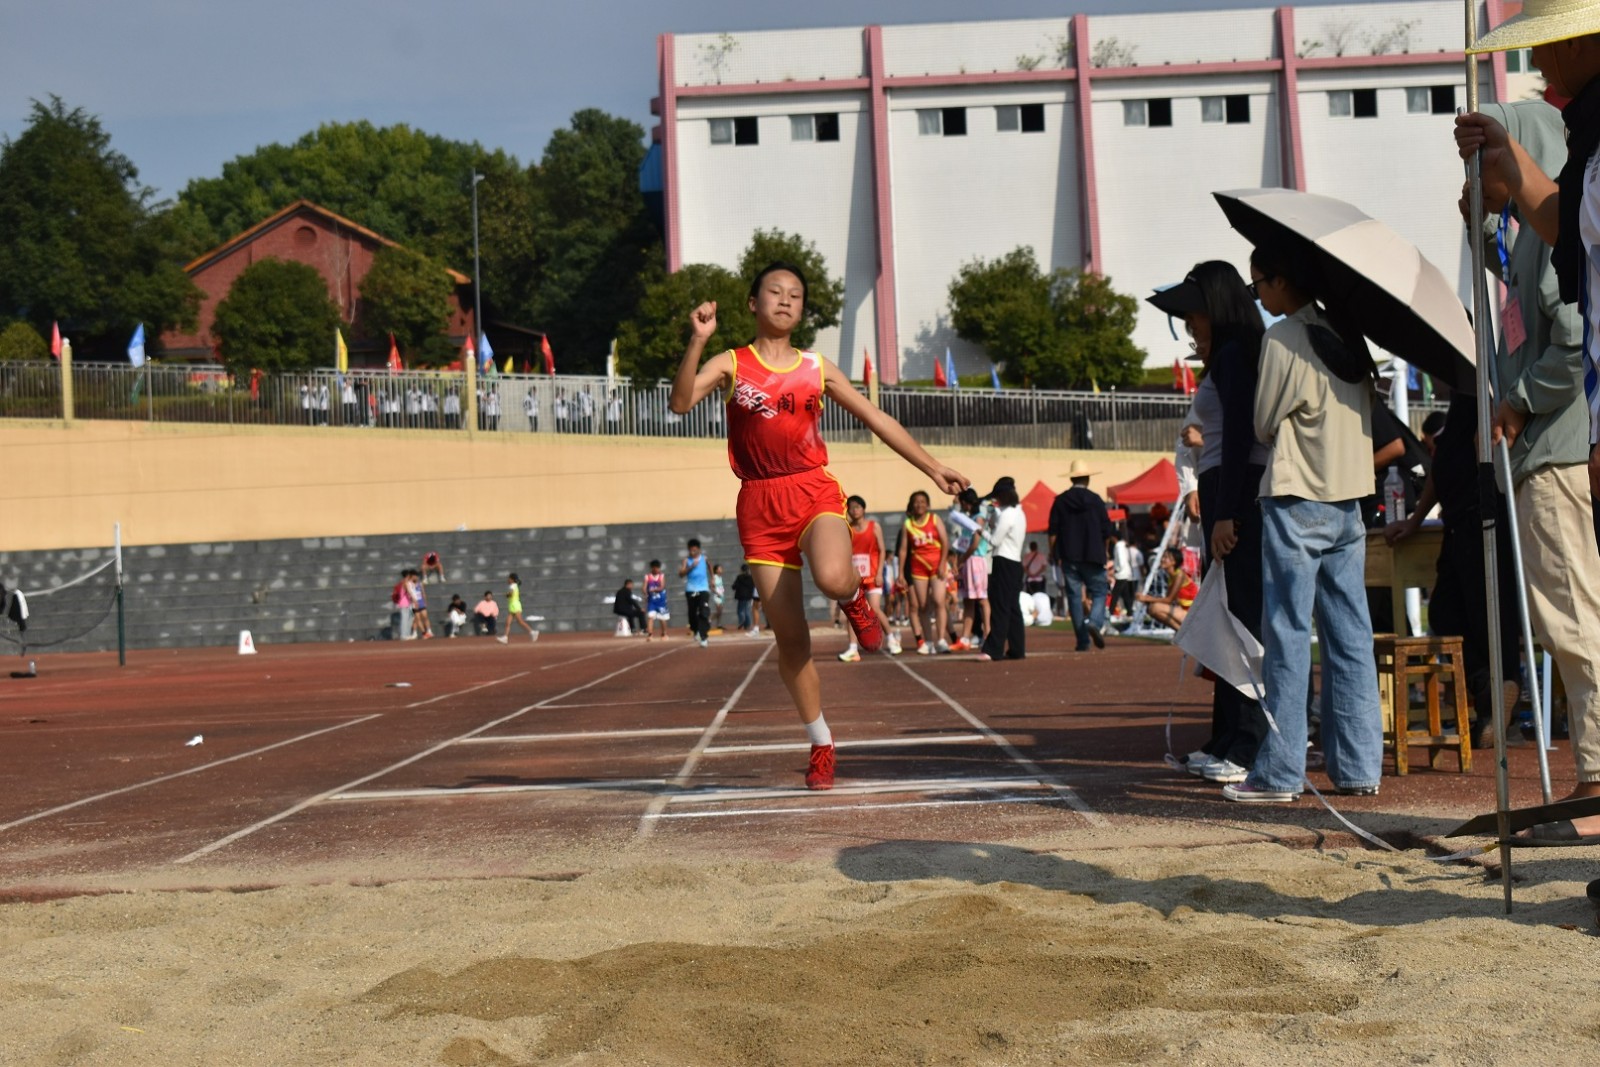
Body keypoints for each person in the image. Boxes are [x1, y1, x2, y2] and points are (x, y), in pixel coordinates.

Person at [669, 261, 967, 789]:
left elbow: (878, 420)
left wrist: (933, 466)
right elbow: (680, 402)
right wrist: (697, 340)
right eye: (774, 292)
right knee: (792, 641)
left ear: (801, 309)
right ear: (752, 304)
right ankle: (822, 741)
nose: (785, 300)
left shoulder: (816, 367)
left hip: (812, 490)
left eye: (795, 295)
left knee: (833, 575)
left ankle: (856, 605)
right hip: (760, 506)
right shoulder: (732, 363)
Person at [1459, 13, 1600, 847]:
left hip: (1553, 443)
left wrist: (1520, 404)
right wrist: (1481, 194)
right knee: (1565, 618)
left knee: (1576, 618)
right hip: (1547, 442)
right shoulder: (1526, 232)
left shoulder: (1569, 201)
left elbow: (1570, 336)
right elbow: (1510, 244)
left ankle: (1593, 775)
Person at [1225, 243, 1381, 804]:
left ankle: (1281, 772)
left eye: (1259, 285)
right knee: (1350, 635)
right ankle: (1360, 766)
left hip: (1297, 495)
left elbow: (1264, 423)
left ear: (1281, 282)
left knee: (1288, 635)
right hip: (1349, 499)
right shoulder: (1348, 334)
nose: (1258, 297)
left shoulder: (1284, 337)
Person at [1148, 260, 1270, 785]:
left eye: (1194, 317)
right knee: (1224, 619)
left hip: (1238, 493)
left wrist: (1228, 514)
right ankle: (1227, 737)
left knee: (1242, 622)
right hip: (1225, 488)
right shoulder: (1227, 356)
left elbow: (1244, 437)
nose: (1190, 329)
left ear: (1215, 310)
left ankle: (1248, 745)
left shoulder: (1237, 355)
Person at [1048, 458, 1114, 652]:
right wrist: (1105, 550)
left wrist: (1054, 553)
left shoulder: (1060, 501)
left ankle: (1082, 641)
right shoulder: (1096, 500)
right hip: (1093, 554)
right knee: (1100, 591)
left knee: (1075, 597)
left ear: (1071, 479)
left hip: (1069, 555)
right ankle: (1094, 621)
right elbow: (1106, 530)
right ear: (1087, 479)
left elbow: (1053, 532)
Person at [839, 494, 900, 661]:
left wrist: (880, 572)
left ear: (863, 509)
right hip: (855, 577)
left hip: (873, 575)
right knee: (854, 611)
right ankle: (853, 648)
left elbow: (881, 550)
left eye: (857, 507)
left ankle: (892, 638)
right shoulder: (847, 529)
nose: (854, 510)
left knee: (874, 609)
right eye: (851, 508)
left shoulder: (874, 527)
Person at [895, 490, 951, 655]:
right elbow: (903, 550)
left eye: (922, 501)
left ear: (927, 505)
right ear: (912, 505)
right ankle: (928, 641)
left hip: (936, 566)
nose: (919, 504)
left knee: (939, 601)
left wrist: (942, 564)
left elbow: (945, 542)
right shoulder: (908, 524)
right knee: (923, 606)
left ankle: (941, 639)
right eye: (916, 502)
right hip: (918, 568)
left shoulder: (934, 519)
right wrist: (900, 573)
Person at [979, 477, 1027, 661]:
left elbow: (994, 541)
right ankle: (1017, 648)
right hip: (1014, 562)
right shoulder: (1019, 513)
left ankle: (994, 649)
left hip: (1004, 561)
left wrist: (979, 530)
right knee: (1013, 608)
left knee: (1000, 607)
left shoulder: (1007, 514)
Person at [1134, 548, 1197, 630]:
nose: (1162, 559)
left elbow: (1169, 600)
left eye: (1166, 557)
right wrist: (1146, 601)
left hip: (1193, 613)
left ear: (1173, 562)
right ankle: (1181, 632)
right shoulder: (1171, 576)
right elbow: (1169, 601)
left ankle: (1182, 633)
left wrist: (1146, 598)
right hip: (1185, 611)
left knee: (1155, 608)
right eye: (1163, 557)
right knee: (1151, 608)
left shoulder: (1179, 575)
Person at [680, 538, 712, 647]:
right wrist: (691, 566)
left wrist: (712, 578)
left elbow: (710, 567)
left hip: (703, 589)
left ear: (699, 549)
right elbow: (681, 574)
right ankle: (696, 630)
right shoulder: (686, 560)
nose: (693, 552)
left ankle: (704, 637)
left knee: (704, 611)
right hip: (691, 589)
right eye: (691, 550)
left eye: (695, 550)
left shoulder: (704, 558)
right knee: (692, 614)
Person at [497, 571, 536, 644]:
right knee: (508, 622)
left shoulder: (512, 585)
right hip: (513, 605)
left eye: (509, 578)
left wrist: (507, 595)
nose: (507, 580)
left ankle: (532, 632)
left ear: (512, 579)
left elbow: (510, 594)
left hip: (515, 605)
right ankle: (505, 637)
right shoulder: (514, 585)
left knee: (520, 621)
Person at [644, 560, 670, 640]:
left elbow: (662, 587)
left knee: (662, 618)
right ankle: (650, 634)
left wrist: (654, 590)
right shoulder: (647, 576)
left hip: (661, 600)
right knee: (650, 617)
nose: (656, 570)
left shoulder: (661, 576)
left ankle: (664, 634)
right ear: (652, 568)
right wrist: (645, 593)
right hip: (652, 601)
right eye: (654, 568)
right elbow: (644, 587)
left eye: (657, 568)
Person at [732, 563, 756, 635]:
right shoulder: (751, 577)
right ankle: (747, 624)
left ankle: (742, 621)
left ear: (741, 570)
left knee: (740, 610)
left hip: (741, 596)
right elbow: (753, 586)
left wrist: (735, 587)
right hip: (748, 596)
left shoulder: (739, 577)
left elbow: (734, 586)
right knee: (747, 610)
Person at [410, 569, 434, 639]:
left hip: (421, 602)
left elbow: (423, 593)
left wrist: (425, 601)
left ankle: (429, 630)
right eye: (415, 576)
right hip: (414, 604)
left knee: (425, 616)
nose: (416, 578)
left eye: (417, 576)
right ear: (412, 576)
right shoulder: (409, 584)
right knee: (417, 619)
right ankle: (415, 633)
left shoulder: (420, 584)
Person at [710, 563, 726, 633]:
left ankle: (719, 624)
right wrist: (717, 593)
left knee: (720, 612)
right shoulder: (714, 577)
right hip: (717, 596)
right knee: (718, 611)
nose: (721, 570)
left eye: (721, 568)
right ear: (716, 570)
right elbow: (712, 587)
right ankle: (709, 619)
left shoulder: (720, 577)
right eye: (719, 569)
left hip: (722, 596)